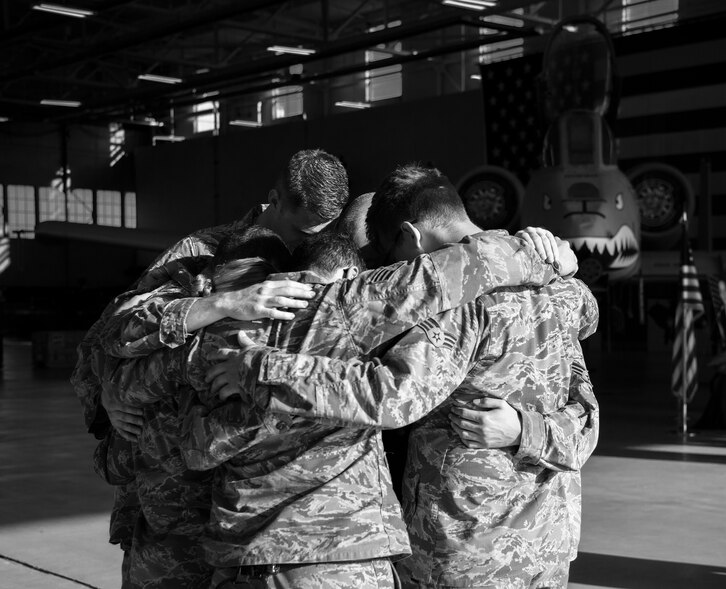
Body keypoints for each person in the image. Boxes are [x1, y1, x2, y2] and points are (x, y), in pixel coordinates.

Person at [106, 207, 576, 588]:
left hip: (263, 554)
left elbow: (160, 415)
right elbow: (445, 277)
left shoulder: (196, 348)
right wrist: (549, 257)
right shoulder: (341, 310)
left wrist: (119, 398)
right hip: (353, 554)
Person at [214, 164, 600, 589]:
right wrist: (529, 431)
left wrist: (260, 370)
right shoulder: (558, 285)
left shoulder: (460, 306)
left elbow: (391, 395)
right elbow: (585, 416)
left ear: (411, 236)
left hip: (465, 547)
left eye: (392, 257)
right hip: (548, 543)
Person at [71, 148, 348, 588]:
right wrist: (222, 302)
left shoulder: (332, 258)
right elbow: (107, 337)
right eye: (298, 229)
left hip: (281, 517)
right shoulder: (201, 252)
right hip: (178, 504)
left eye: (318, 231)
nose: (301, 244)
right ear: (273, 200)